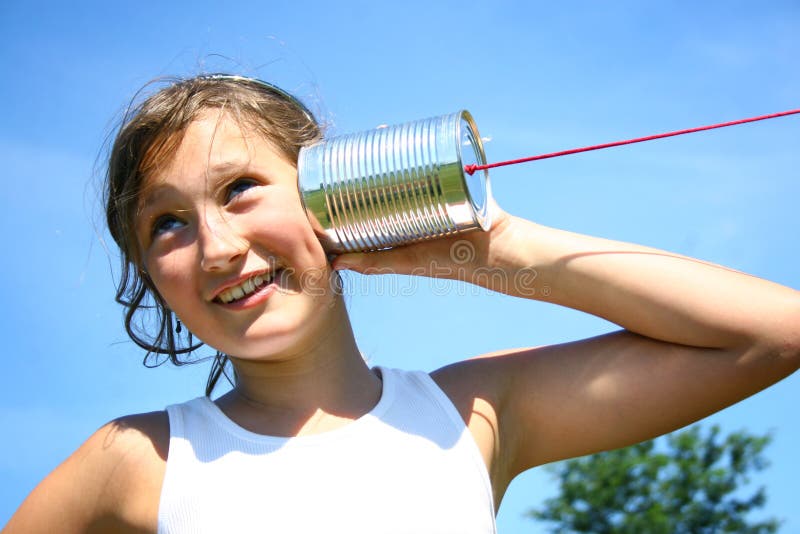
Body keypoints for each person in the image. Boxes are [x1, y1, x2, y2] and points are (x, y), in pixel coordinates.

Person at [5, 75, 799, 534]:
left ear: (333, 186)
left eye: (240, 188)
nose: (215, 246)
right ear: (151, 274)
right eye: (167, 223)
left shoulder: (474, 414)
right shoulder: (136, 460)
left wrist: (493, 246)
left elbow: (773, 334)